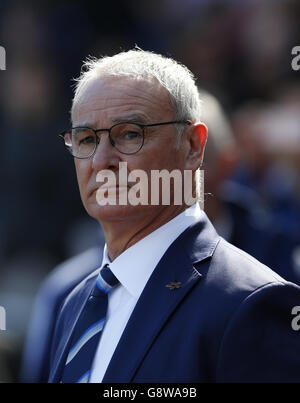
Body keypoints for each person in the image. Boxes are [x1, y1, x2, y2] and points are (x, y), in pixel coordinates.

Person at [47, 49, 300, 383]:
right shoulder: (75, 302)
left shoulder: (249, 302)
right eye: (86, 138)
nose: (101, 160)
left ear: (194, 146)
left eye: (130, 134)